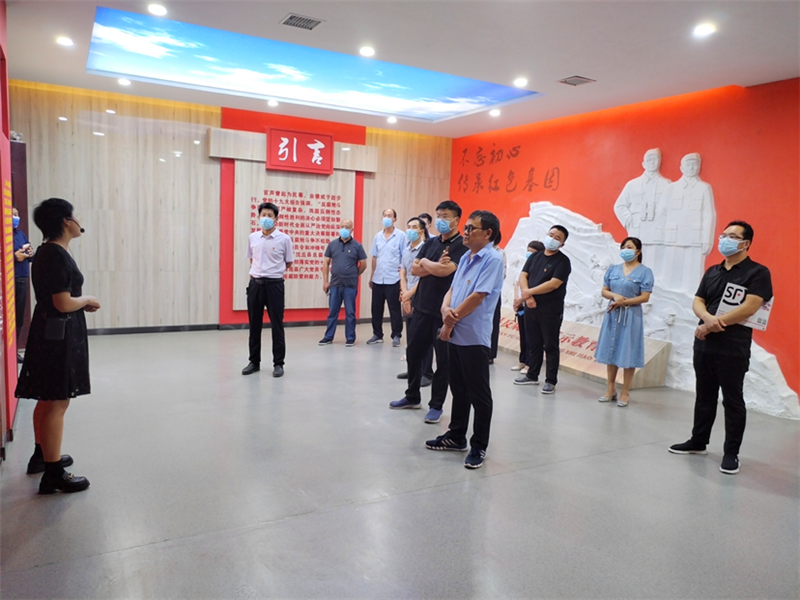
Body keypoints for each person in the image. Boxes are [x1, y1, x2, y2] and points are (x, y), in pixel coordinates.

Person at [669, 221, 772, 475]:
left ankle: (731, 453)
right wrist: (707, 319)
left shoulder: (757, 272)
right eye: (724, 235)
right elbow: (698, 300)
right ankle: (698, 441)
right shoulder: (713, 271)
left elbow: (750, 307)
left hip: (733, 347)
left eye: (733, 236)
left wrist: (714, 324)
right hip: (704, 344)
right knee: (704, 395)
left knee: (732, 400)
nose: (725, 239)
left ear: (746, 243)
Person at [16, 198, 100, 494]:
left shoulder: (47, 251)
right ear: (66, 221)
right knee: (57, 401)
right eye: (75, 215)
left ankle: (43, 454)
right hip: (57, 335)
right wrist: (87, 299)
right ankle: (53, 473)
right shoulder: (55, 255)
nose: (79, 220)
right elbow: (63, 303)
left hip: (50, 332)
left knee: (48, 397)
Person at [425, 211, 504, 469]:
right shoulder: (467, 257)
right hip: (455, 333)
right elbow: (452, 290)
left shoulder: (492, 259)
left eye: (471, 228)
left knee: (479, 394)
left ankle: (479, 445)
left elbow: (478, 296)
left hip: (473, 336)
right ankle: (456, 436)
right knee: (458, 389)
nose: (466, 232)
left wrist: (450, 321)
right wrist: (444, 309)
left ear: (488, 233)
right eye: (466, 227)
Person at [389, 200, 468, 423]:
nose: (441, 220)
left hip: (443, 312)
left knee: (443, 361)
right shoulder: (431, 243)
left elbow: (444, 271)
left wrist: (425, 263)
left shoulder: (461, 246)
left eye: (446, 216)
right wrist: (430, 264)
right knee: (414, 353)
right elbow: (414, 269)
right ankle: (412, 396)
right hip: (422, 307)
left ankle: (436, 406)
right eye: (439, 215)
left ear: (456, 220)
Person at [594, 237, 654, 407]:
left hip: (631, 316)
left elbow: (645, 296)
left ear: (638, 251)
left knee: (628, 352)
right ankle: (610, 389)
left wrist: (624, 302)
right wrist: (615, 296)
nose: (625, 250)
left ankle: (625, 391)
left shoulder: (645, 272)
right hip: (612, 314)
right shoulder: (613, 269)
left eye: (629, 247)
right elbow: (604, 291)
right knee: (611, 350)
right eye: (623, 247)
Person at [514, 225, 572, 394]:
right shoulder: (535, 256)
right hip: (531, 306)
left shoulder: (563, 261)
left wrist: (528, 293)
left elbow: (553, 284)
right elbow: (523, 275)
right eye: (551, 235)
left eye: (557, 238)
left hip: (550, 310)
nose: (552, 239)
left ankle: (550, 380)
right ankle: (532, 375)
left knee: (550, 345)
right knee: (534, 343)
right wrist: (528, 297)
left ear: (562, 244)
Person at [242, 202, 294, 377]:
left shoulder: (284, 239)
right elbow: (252, 260)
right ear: (258, 217)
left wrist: (272, 272)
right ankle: (254, 362)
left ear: (276, 219)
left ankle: (278, 363)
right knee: (254, 325)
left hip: (274, 286)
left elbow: (288, 262)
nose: (266, 218)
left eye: (270, 216)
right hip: (255, 285)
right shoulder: (253, 238)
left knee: (277, 325)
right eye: (263, 215)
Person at [660, 153, 716, 292]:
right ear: (681, 167)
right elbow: (662, 212)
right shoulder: (671, 188)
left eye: (695, 164)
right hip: (673, 237)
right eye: (688, 164)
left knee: (693, 276)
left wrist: (707, 239)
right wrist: (664, 234)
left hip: (694, 238)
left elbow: (709, 214)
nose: (691, 167)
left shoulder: (704, 188)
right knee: (670, 275)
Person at [613, 148, 671, 278]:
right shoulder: (633, 184)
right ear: (643, 163)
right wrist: (630, 221)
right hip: (638, 230)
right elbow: (619, 206)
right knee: (636, 264)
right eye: (649, 160)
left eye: (655, 160)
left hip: (657, 231)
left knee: (655, 267)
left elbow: (671, 209)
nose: (652, 163)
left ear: (660, 162)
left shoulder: (667, 184)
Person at [397, 217, 433, 386]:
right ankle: (413, 370)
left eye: (414, 227)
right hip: (408, 295)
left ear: (421, 231)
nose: (410, 230)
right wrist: (404, 293)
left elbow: (425, 276)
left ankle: (426, 372)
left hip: (421, 295)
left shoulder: (426, 249)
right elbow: (402, 272)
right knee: (411, 336)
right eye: (408, 226)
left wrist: (410, 294)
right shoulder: (406, 250)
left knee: (423, 336)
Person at [319, 219, 367, 346]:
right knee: (332, 312)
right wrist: (325, 281)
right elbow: (326, 263)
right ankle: (328, 337)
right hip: (335, 284)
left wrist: (354, 274)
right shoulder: (332, 244)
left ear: (352, 229)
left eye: (347, 227)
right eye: (342, 226)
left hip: (350, 285)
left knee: (350, 313)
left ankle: (350, 338)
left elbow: (363, 264)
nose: (344, 229)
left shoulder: (357, 246)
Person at [367, 208, 405, 346]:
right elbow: (374, 257)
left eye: (389, 215)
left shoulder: (401, 236)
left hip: (393, 278)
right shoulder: (378, 236)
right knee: (376, 308)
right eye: (384, 215)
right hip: (378, 278)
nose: (386, 218)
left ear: (395, 219)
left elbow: (404, 257)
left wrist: (402, 280)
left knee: (394, 309)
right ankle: (377, 334)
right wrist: (372, 275)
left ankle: (396, 335)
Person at [511, 240, 544, 372]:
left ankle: (530, 364)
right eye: (528, 251)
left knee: (532, 337)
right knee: (523, 335)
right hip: (520, 305)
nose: (529, 253)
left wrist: (522, 298)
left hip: (530, 305)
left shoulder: (539, 268)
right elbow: (517, 283)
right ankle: (523, 361)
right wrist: (516, 299)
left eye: (532, 252)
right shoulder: (524, 266)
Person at [13, 207, 35, 363]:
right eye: (11, 214)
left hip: (22, 280)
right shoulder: (3, 235)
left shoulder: (20, 234)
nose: (15, 217)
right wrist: (14, 257)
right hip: (8, 282)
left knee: (19, 318)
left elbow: (28, 253)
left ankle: (14, 351)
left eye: (16, 214)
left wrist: (30, 253)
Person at [488, 234, 506, 364]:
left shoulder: (500, 253)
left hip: (493, 293)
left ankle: (490, 354)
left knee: (493, 323)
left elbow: (502, 274)